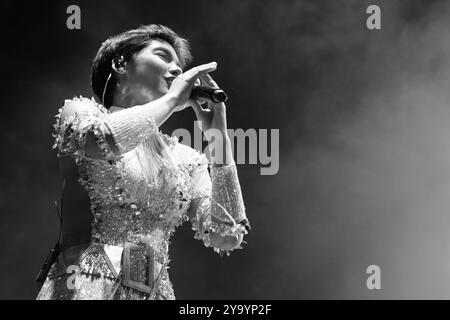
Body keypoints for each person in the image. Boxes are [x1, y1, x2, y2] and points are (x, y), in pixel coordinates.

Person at [36, 24, 250, 300]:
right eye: (163, 56)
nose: (177, 70)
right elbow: (103, 139)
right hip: (85, 285)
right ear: (120, 63)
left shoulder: (185, 158)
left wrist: (219, 140)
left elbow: (227, 233)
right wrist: (173, 99)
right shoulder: (81, 112)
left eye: (179, 65)